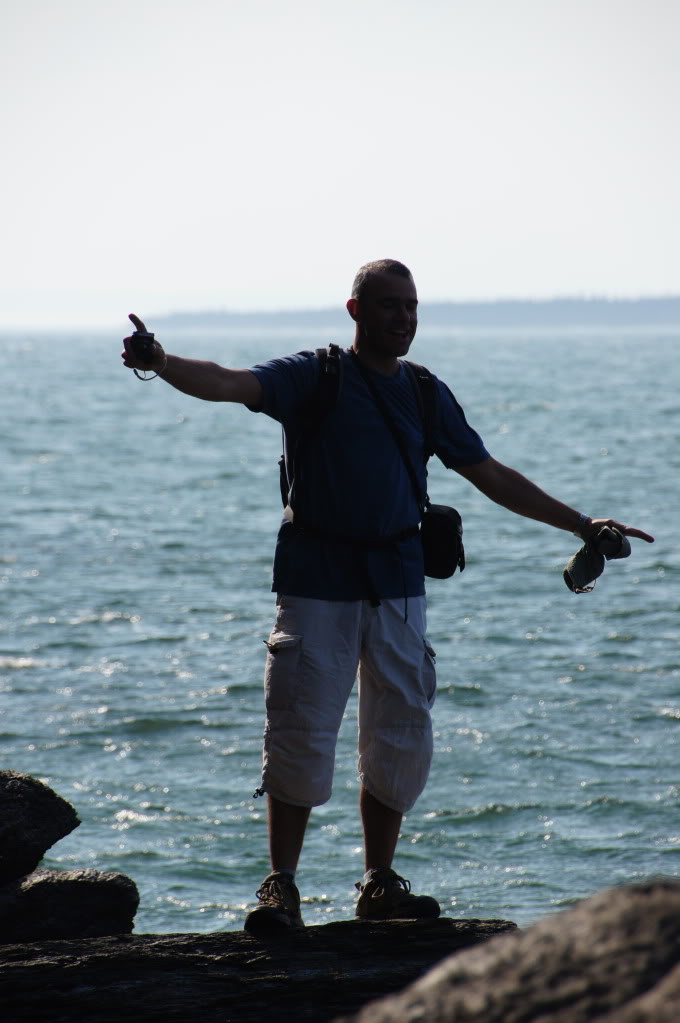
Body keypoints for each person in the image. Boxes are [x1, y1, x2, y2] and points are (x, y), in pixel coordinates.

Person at [121, 258, 654, 936]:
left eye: (411, 305)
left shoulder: (427, 393)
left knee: (400, 731)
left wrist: (583, 523)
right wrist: (160, 359)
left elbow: (488, 473)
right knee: (300, 727)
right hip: (317, 582)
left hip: (399, 584)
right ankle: (281, 885)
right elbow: (230, 382)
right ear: (355, 311)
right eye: (388, 305)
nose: (403, 317)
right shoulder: (315, 375)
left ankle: (378, 882)